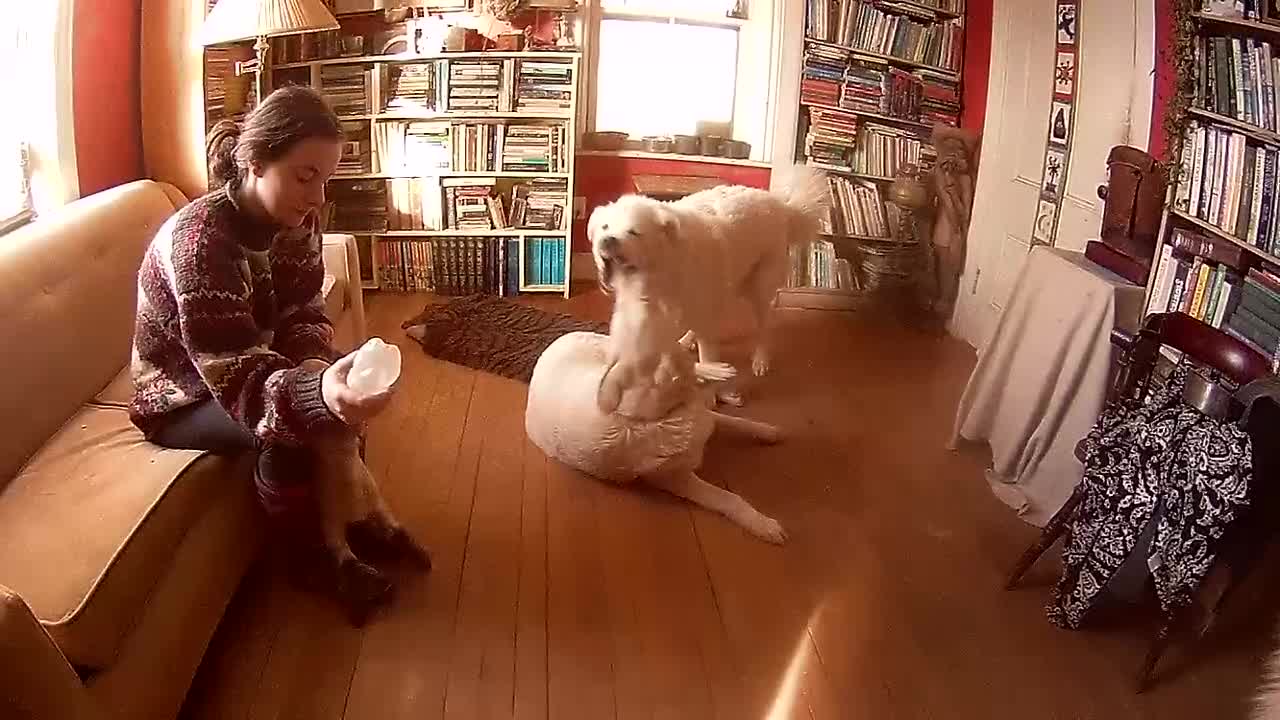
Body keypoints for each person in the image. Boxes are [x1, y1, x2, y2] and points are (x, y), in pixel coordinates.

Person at [128, 86, 409, 616]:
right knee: (294, 430)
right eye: (306, 176)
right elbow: (239, 381)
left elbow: (304, 308)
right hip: (179, 395)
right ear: (255, 162)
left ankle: (352, 523)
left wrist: (315, 367)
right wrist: (317, 391)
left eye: (325, 178)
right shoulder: (200, 245)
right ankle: (313, 559)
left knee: (339, 388)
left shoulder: (298, 219)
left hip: (251, 361)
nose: (318, 196)